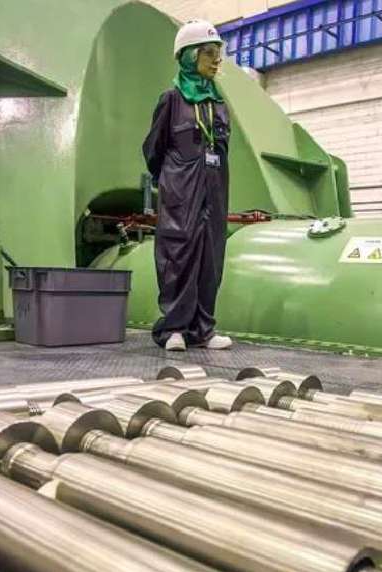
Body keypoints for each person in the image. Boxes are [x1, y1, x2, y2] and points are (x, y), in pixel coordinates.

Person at [142, 19, 233, 351]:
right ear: (189, 56)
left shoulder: (218, 104)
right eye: (209, 53)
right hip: (182, 194)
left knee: (211, 258)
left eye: (218, 52)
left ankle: (203, 330)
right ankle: (174, 329)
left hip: (214, 192)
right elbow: (153, 149)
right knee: (178, 256)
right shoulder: (172, 100)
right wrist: (172, 181)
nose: (217, 60)